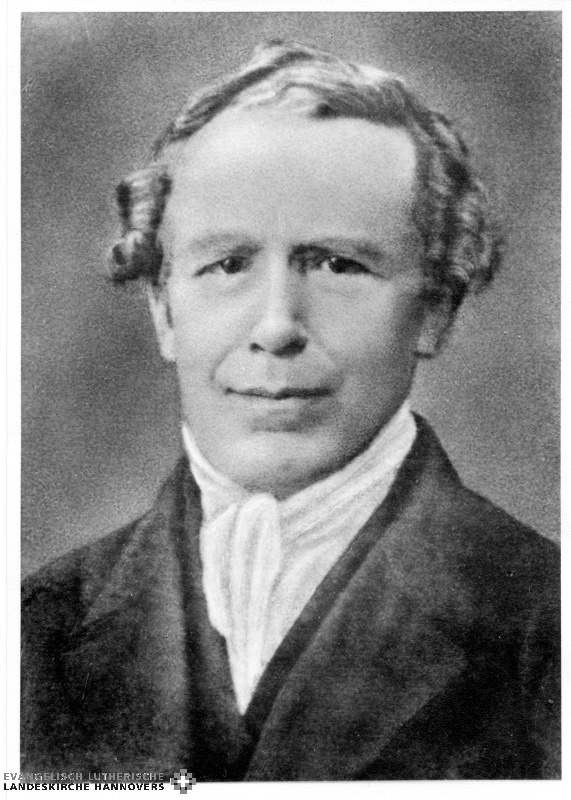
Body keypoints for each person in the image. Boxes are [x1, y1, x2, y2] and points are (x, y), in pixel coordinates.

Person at [21, 41, 560, 781]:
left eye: (338, 264)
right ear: (163, 312)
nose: (275, 326)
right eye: (227, 264)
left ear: (435, 309)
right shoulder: (35, 624)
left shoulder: (543, 619)